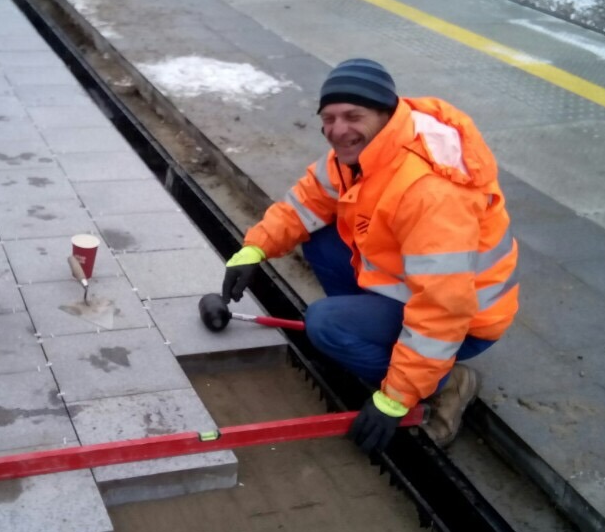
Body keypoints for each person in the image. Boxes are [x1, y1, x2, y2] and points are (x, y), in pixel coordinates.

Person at [222, 58, 518, 452]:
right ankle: (380, 335)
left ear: (385, 112)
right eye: (328, 118)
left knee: (324, 324)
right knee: (320, 234)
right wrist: (254, 248)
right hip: (416, 289)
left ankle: (448, 384)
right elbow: (305, 202)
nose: (337, 130)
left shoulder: (429, 192)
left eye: (352, 116)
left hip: (465, 321)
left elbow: (443, 307)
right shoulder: (362, 156)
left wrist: (397, 398)